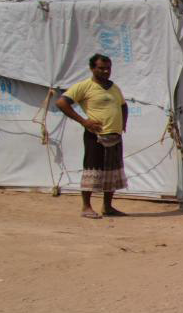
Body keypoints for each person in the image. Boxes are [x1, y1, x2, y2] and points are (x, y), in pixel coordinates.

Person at [55, 54, 129, 218]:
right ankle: (86, 207)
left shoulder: (114, 87)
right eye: (101, 68)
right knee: (92, 170)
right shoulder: (84, 86)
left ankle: (107, 207)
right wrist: (83, 121)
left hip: (114, 136)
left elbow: (123, 105)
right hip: (96, 136)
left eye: (108, 68)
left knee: (112, 172)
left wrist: (123, 123)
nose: (105, 71)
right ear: (92, 68)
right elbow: (61, 103)